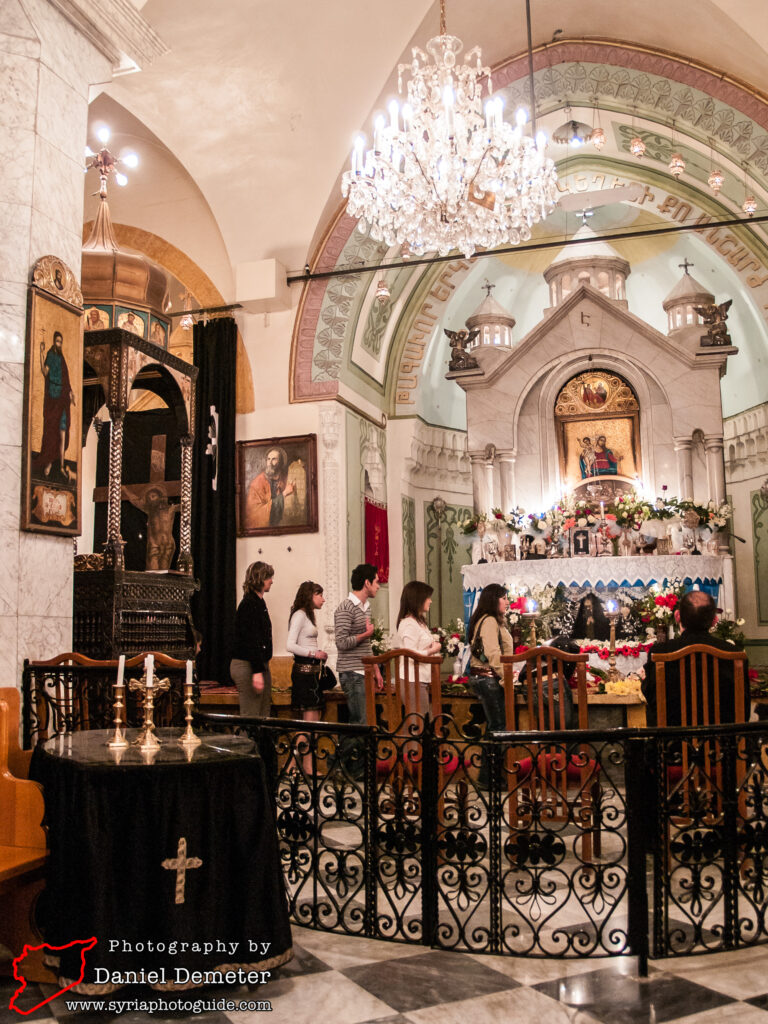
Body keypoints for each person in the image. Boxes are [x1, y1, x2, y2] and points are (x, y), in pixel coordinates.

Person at [642, 590, 750, 727]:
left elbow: (652, 699)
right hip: (724, 742)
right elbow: (744, 707)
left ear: (678, 617)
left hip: (673, 742)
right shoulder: (734, 653)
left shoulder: (660, 652)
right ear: (714, 621)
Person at [467, 583, 515, 788]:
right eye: (503, 598)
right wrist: (506, 678)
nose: (507, 601)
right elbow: (494, 654)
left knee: (495, 727)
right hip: (488, 679)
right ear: (493, 600)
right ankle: (490, 777)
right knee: (498, 727)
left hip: (489, 678)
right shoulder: (488, 622)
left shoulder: (494, 620)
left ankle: (489, 775)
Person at [334, 563, 382, 726]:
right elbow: (341, 642)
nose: (379, 586)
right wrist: (365, 634)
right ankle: (343, 752)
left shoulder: (366, 607)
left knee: (366, 722)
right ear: (366, 583)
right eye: (376, 581)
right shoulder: (345, 608)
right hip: (352, 672)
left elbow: (366, 645)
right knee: (359, 722)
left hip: (364, 671)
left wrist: (375, 669)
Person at [230, 561, 274, 717]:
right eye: (269, 577)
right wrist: (257, 672)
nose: (271, 581)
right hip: (248, 664)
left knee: (262, 714)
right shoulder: (248, 604)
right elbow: (250, 639)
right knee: (251, 715)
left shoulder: (258, 602)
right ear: (260, 578)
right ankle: (246, 742)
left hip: (257, 663)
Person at [393, 580, 442, 714]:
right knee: (417, 724)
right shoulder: (409, 623)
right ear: (417, 599)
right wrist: (432, 650)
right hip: (412, 679)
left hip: (420, 678)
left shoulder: (419, 622)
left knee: (421, 721)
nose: (430, 601)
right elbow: (410, 653)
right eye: (427, 597)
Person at [287, 580, 329, 721]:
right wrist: (314, 653)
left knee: (314, 722)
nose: (323, 599)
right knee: (308, 724)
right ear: (310, 595)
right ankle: (302, 744)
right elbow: (290, 645)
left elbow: (306, 643)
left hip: (311, 674)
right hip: (304, 676)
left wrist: (318, 654)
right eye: (320, 595)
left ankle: (308, 744)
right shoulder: (299, 615)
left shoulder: (307, 616)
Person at [37, 331, 75, 482]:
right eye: (58, 341)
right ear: (54, 341)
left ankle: (60, 465)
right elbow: (45, 372)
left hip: (63, 397)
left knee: (63, 431)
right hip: (53, 396)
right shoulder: (51, 355)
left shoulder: (61, 357)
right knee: (52, 431)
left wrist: (71, 393)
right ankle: (48, 463)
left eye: (61, 342)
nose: (59, 344)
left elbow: (67, 378)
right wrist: (40, 353)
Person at [246, 447, 295, 529]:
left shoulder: (285, 478)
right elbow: (255, 514)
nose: (270, 463)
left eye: (274, 459)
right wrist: (284, 494)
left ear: (281, 462)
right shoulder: (257, 483)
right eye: (268, 459)